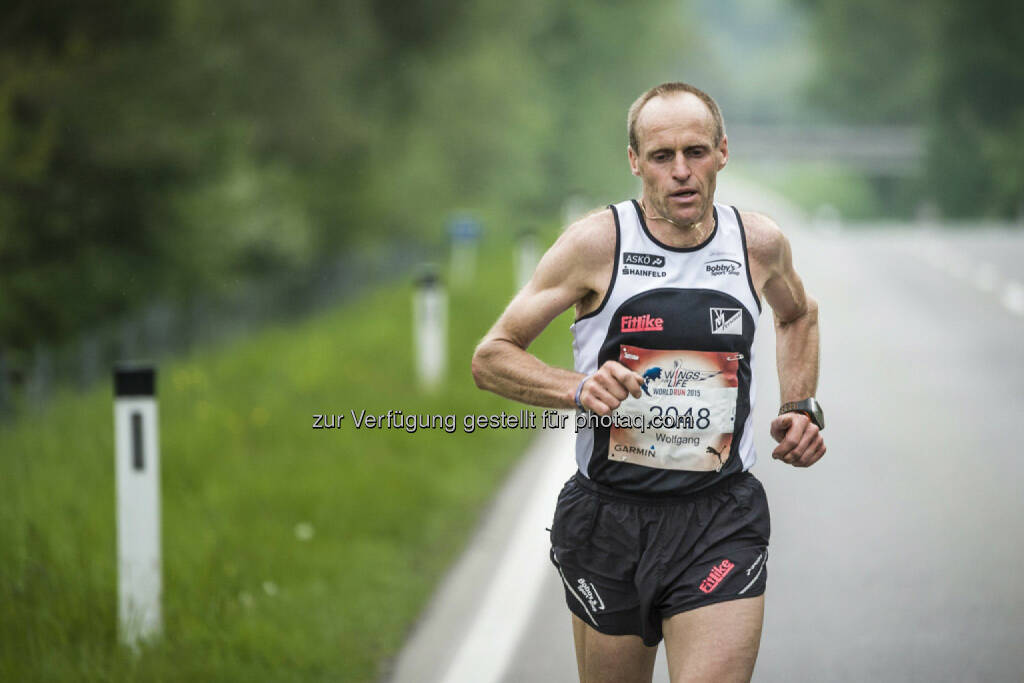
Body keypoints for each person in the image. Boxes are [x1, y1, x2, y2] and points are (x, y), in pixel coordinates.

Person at [471, 81, 826, 683]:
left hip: (720, 518)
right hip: (609, 520)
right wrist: (577, 388)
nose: (682, 172)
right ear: (636, 162)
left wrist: (801, 405)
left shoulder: (757, 243)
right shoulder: (596, 244)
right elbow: (492, 356)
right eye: (662, 157)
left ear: (723, 152)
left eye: (696, 152)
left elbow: (798, 314)